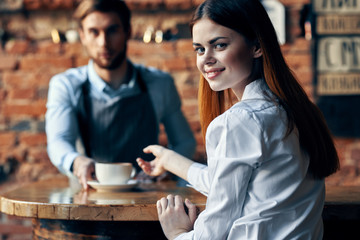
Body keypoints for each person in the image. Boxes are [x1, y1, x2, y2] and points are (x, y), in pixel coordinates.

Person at [136, 0, 340, 239]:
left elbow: (212, 234)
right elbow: (231, 184)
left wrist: (177, 232)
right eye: (200, 49)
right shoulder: (293, 109)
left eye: (219, 45)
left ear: (256, 46)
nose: (206, 59)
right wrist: (169, 159)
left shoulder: (241, 121)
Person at [45, 0, 196, 190]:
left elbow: (185, 141)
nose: (103, 42)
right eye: (94, 32)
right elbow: (58, 141)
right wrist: (77, 162)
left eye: (112, 30)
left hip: (147, 200)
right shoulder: (66, 85)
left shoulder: (160, 84)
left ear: (128, 31)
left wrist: (168, 166)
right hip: (87, 200)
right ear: (82, 35)